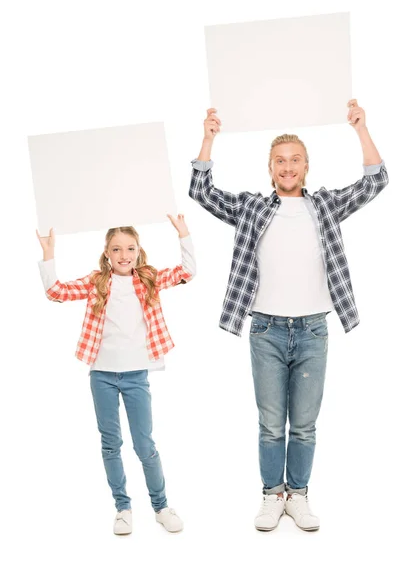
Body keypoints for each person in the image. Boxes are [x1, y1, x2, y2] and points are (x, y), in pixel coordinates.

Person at [189, 101, 388, 531]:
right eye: (280, 161)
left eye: (295, 160)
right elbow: (202, 192)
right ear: (270, 168)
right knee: (269, 424)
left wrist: (361, 129)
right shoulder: (251, 208)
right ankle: (270, 496)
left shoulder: (327, 206)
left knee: (304, 425)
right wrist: (208, 138)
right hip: (266, 329)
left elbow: (376, 181)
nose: (288, 166)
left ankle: (297, 495)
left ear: (306, 166)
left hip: (314, 329)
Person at [36, 214, 195, 535]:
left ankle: (161, 506)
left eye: (130, 248)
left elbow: (188, 272)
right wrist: (49, 254)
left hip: (136, 374)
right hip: (103, 376)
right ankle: (123, 508)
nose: (124, 255)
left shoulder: (148, 278)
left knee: (144, 444)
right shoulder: (98, 282)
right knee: (111, 444)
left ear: (139, 251)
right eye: (117, 249)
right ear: (107, 254)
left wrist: (183, 234)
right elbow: (55, 292)